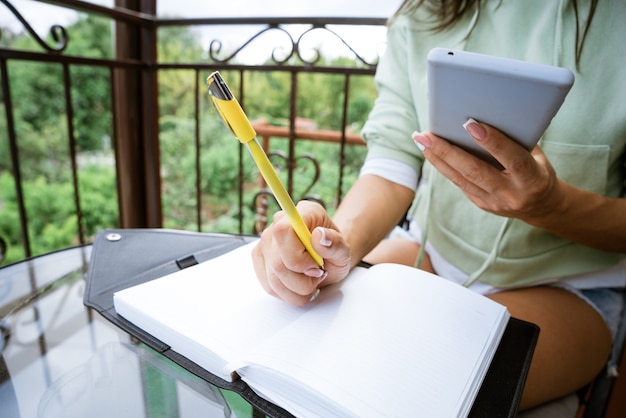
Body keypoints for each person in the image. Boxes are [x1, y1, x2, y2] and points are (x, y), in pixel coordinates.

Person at [251, 0, 626, 411]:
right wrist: (336, 244)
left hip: (571, 284)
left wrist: (553, 208)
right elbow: (392, 161)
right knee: (304, 346)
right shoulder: (423, 14)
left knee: (413, 390)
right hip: (434, 251)